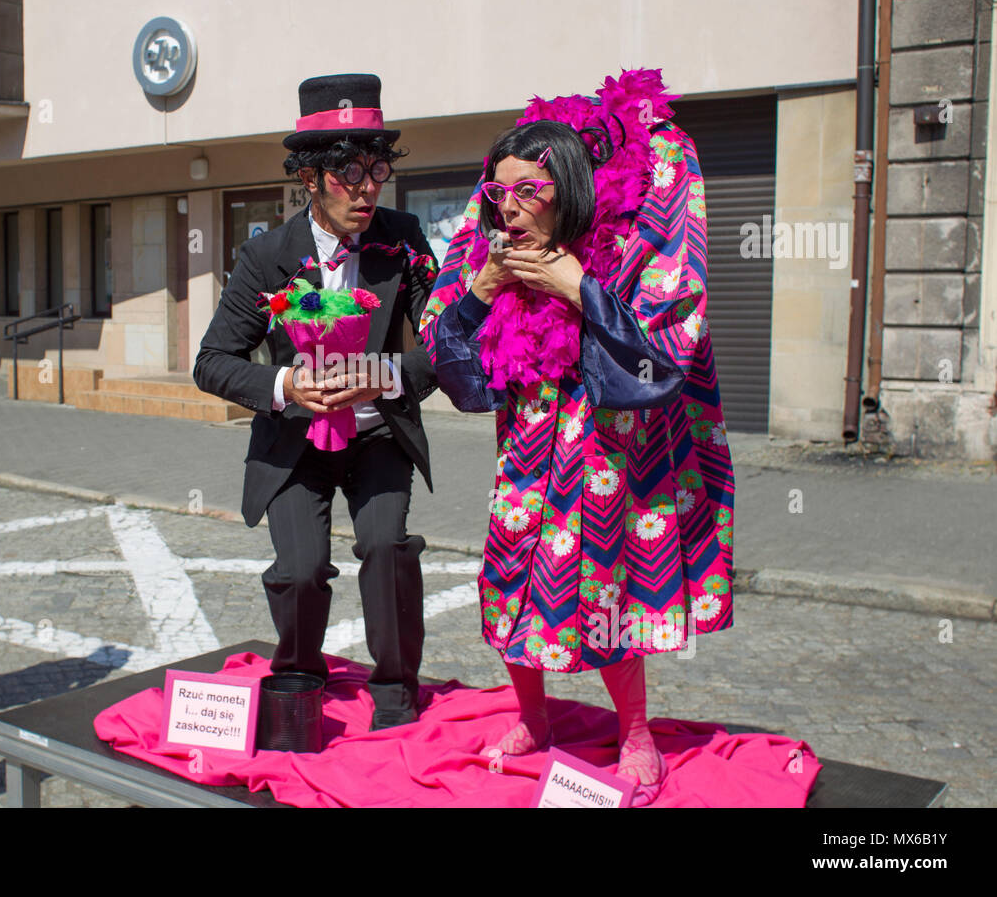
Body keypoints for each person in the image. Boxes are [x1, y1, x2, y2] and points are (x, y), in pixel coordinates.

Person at [420, 70, 736, 804]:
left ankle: (635, 731)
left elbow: (668, 338)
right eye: (498, 192)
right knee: (510, 573)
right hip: (527, 433)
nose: (509, 209)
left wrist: (577, 289)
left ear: (570, 190)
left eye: (529, 191)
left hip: (607, 442)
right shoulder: (492, 250)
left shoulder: (615, 249)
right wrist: (484, 290)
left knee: (605, 583)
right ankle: (531, 717)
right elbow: (444, 345)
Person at [194, 74, 440, 729]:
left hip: (377, 434)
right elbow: (211, 362)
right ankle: (299, 683)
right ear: (309, 178)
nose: (367, 188)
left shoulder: (406, 238)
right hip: (297, 441)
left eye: (376, 168)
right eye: (348, 172)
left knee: (387, 547)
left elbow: (444, 349)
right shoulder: (266, 256)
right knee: (302, 569)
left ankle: (394, 695)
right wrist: (285, 386)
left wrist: (384, 375)